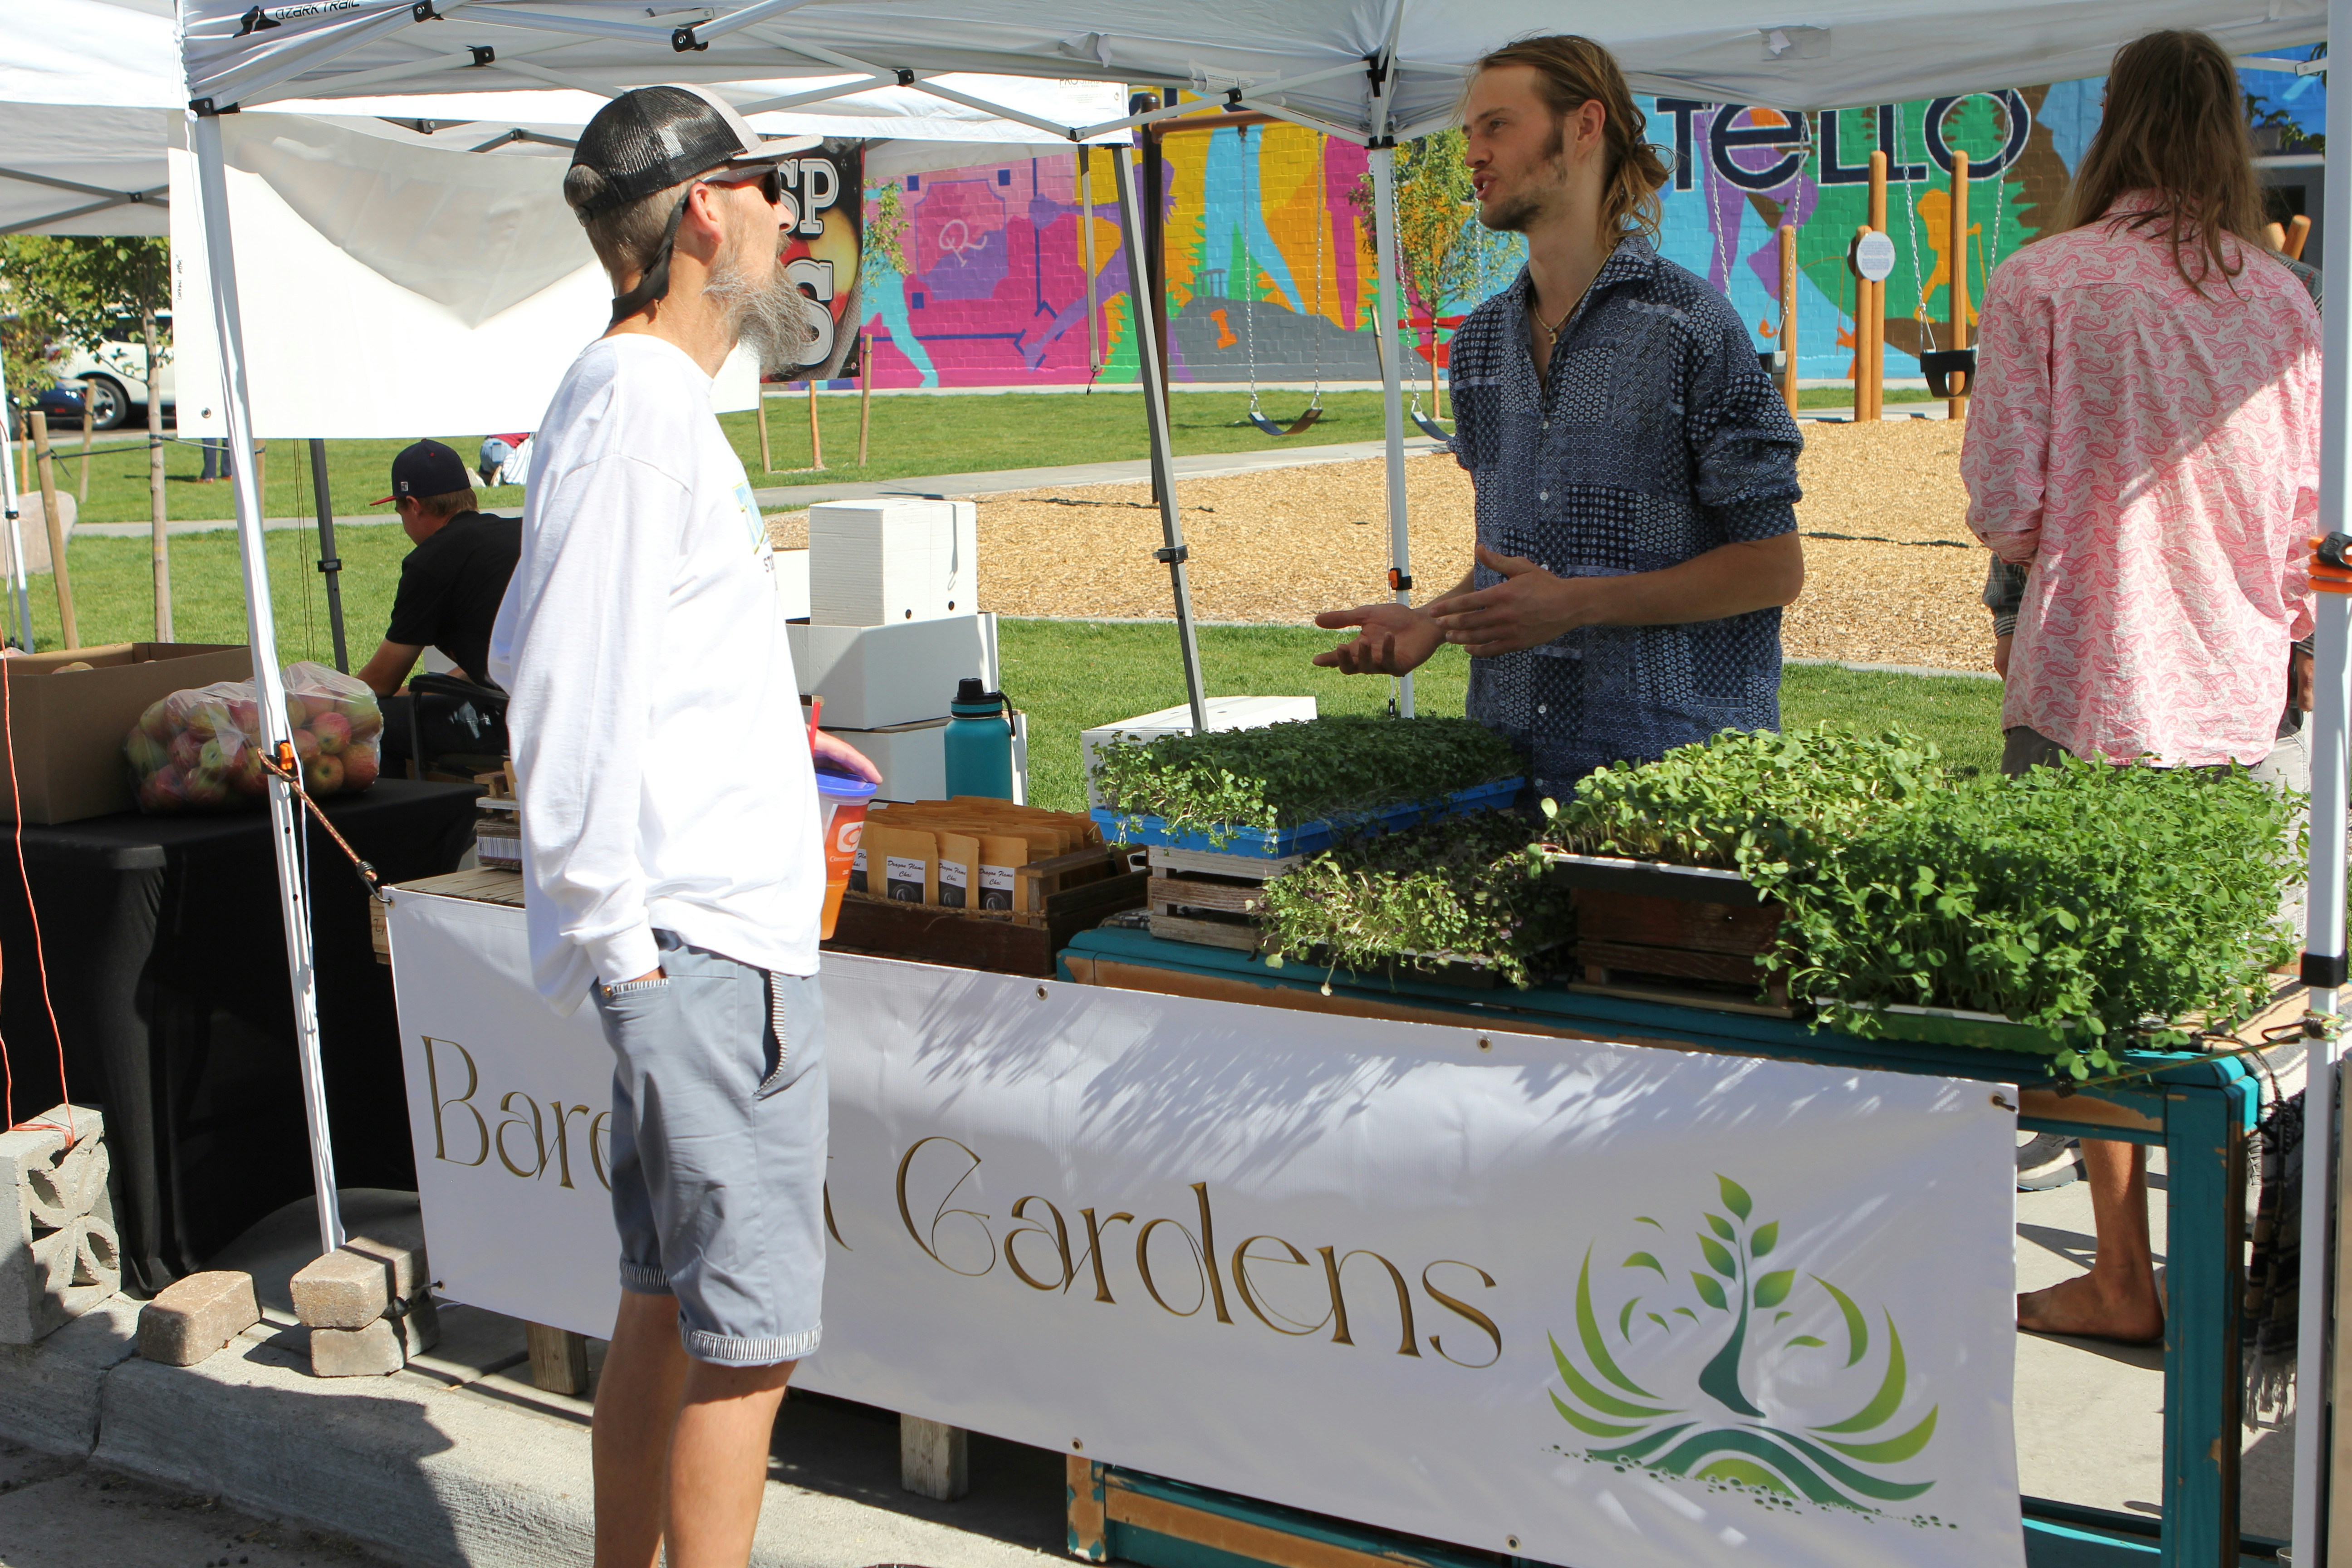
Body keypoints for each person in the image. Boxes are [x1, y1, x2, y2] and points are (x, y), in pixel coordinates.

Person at [487, 84, 877, 1568]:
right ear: (705, 208)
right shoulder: (643, 409)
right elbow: (562, 692)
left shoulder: (624, 400)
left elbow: (545, 642)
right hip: (702, 950)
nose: (791, 221)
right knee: (748, 1334)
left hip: (689, 940)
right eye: (773, 190)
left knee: (665, 1299)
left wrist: (753, 730)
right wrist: (627, 956)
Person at [1962, 28, 2320, 1343]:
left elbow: (2007, 504)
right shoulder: (2286, 303)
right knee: (2212, 983)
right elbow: (2306, 523)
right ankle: (2219, 1267)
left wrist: (2032, 559)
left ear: (2110, 121)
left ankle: (2122, 1269)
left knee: (2078, 985)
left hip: (2088, 676)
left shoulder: (2048, 281)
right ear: (2229, 130)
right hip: (2234, 689)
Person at [1311, 35, 1804, 795]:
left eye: (1497, 126)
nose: (1471, 153)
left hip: (1676, 786)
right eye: (1467, 131)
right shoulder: (1476, 344)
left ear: (1582, 127)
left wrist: (1575, 606)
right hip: (1511, 769)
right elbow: (1522, 559)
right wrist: (1436, 623)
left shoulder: (1689, 326)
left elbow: (1771, 568)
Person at [354, 440, 521, 774]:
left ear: (414, 505)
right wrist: (425, 687)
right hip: (561, 704)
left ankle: (404, 825)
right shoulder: (516, 532)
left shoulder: (431, 561)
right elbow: (495, 652)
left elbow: (380, 682)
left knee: (364, 725)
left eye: (399, 510)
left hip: (509, 720)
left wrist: (317, 700)